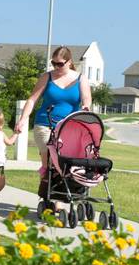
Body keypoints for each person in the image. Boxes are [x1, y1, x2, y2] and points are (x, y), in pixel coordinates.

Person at [14, 46, 92, 175]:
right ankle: (46, 187)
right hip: (45, 124)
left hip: (68, 127)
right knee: (50, 161)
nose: (56, 67)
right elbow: (32, 100)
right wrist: (22, 120)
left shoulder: (81, 78)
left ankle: (60, 191)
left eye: (60, 64)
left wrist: (86, 107)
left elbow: (86, 98)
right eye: (53, 63)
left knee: (64, 163)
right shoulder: (47, 77)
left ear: (69, 62)